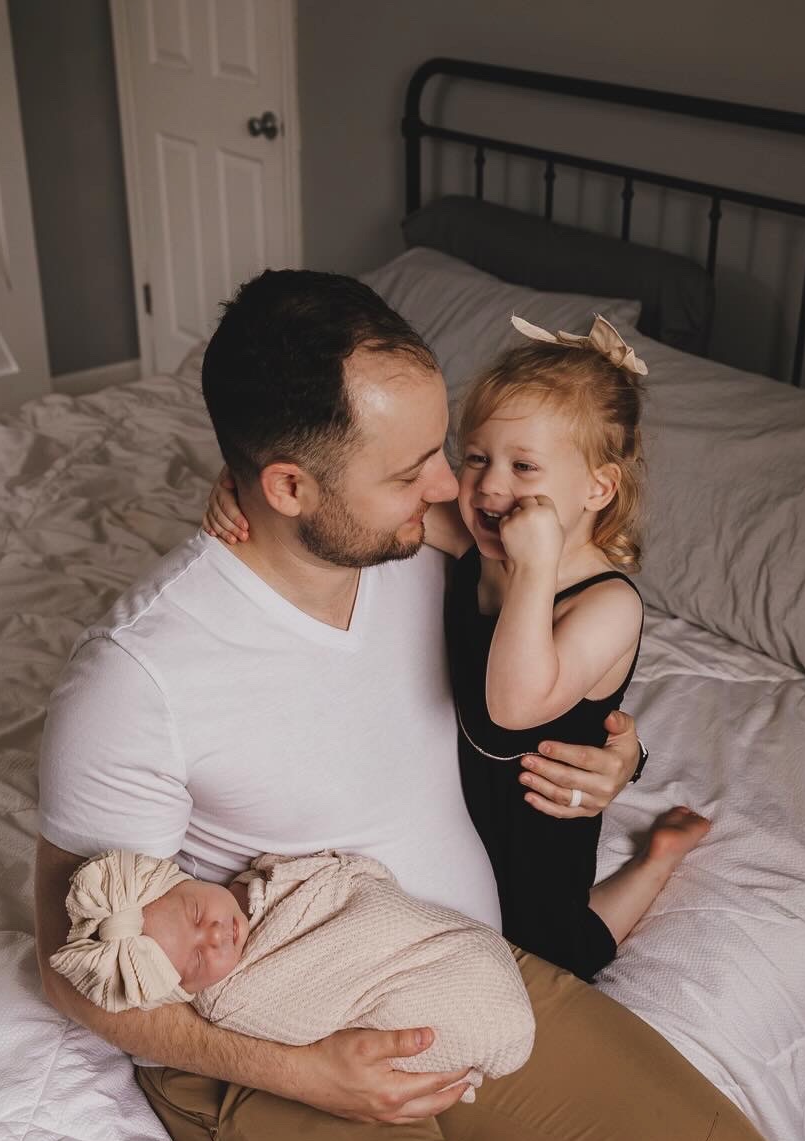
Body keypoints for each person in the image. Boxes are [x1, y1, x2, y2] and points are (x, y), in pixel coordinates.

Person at [33, 268, 790, 1141]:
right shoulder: (137, 677)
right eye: (413, 470)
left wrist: (618, 759)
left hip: (460, 969)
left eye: (448, 450)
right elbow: (73, 970)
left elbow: (556, 672)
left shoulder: (429, 545)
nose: (457, 489)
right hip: (273, 1022)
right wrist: (305, 1074)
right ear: (287, 486)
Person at [205, 313, 711, 982]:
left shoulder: (606, 604)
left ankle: (656, 861)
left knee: (556, 945)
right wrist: (243, 486)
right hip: (456, 792)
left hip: (539, 812)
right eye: (476, 458)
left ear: (598, 486)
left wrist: (531, 572)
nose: (490, 486)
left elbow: (512, 704)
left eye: (523, 466)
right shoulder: (477, 540)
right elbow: (353, 507)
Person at [48, 847, 535, 1100]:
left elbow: (349, 884)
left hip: (464, 949)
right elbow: (304, 1007)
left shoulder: (262, 883)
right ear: (183, 990)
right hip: (404, 1001)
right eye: (198, 961)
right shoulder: (234, 997)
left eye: (197, 914)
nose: (216, 936)